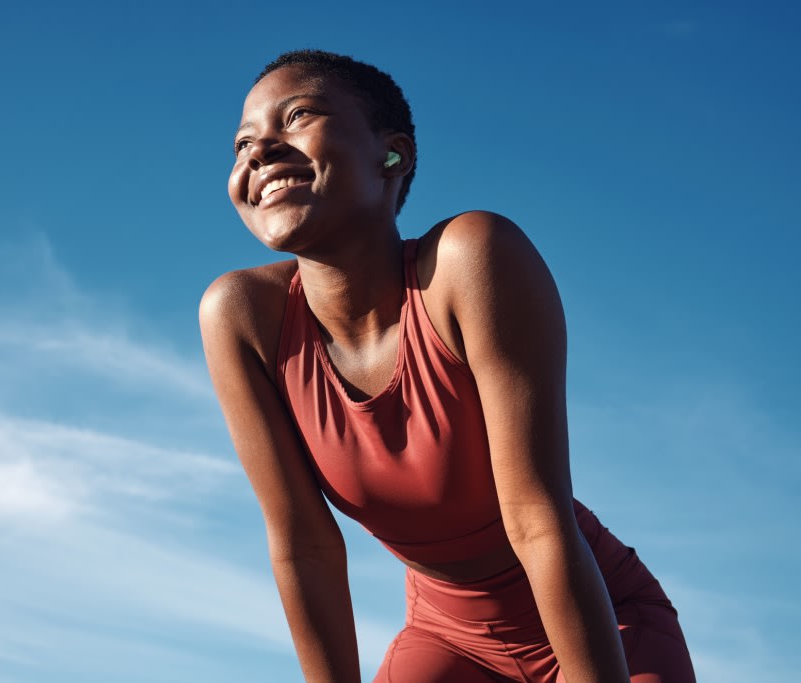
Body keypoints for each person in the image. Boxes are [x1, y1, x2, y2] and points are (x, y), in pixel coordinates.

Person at [199, 49, 695, 683]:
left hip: (602, 623)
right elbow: (304, 546)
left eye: (297, 116)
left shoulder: (469, 260)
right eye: (242, 143)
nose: (258, 152)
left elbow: (536, 519)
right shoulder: (241, 315)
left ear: (393, 155)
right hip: (447, 639)